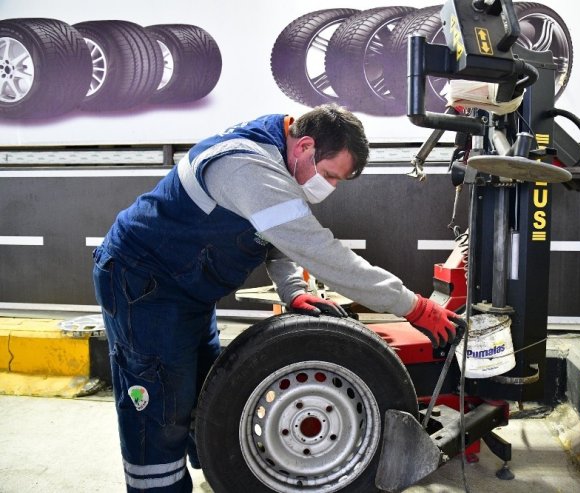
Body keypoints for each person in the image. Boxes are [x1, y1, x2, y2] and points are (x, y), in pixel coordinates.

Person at [92, 103, 462, 492]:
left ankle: (211, 464)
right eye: (329, 176)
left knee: (203, 391)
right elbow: (319, 251)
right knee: (160, 408)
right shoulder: (248, 167)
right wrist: (414, 306)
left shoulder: (279, 159)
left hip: (185, 290)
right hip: (144, 286)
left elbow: (274, 236)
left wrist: (294, 292)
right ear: (304, 146)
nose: (330, 188)